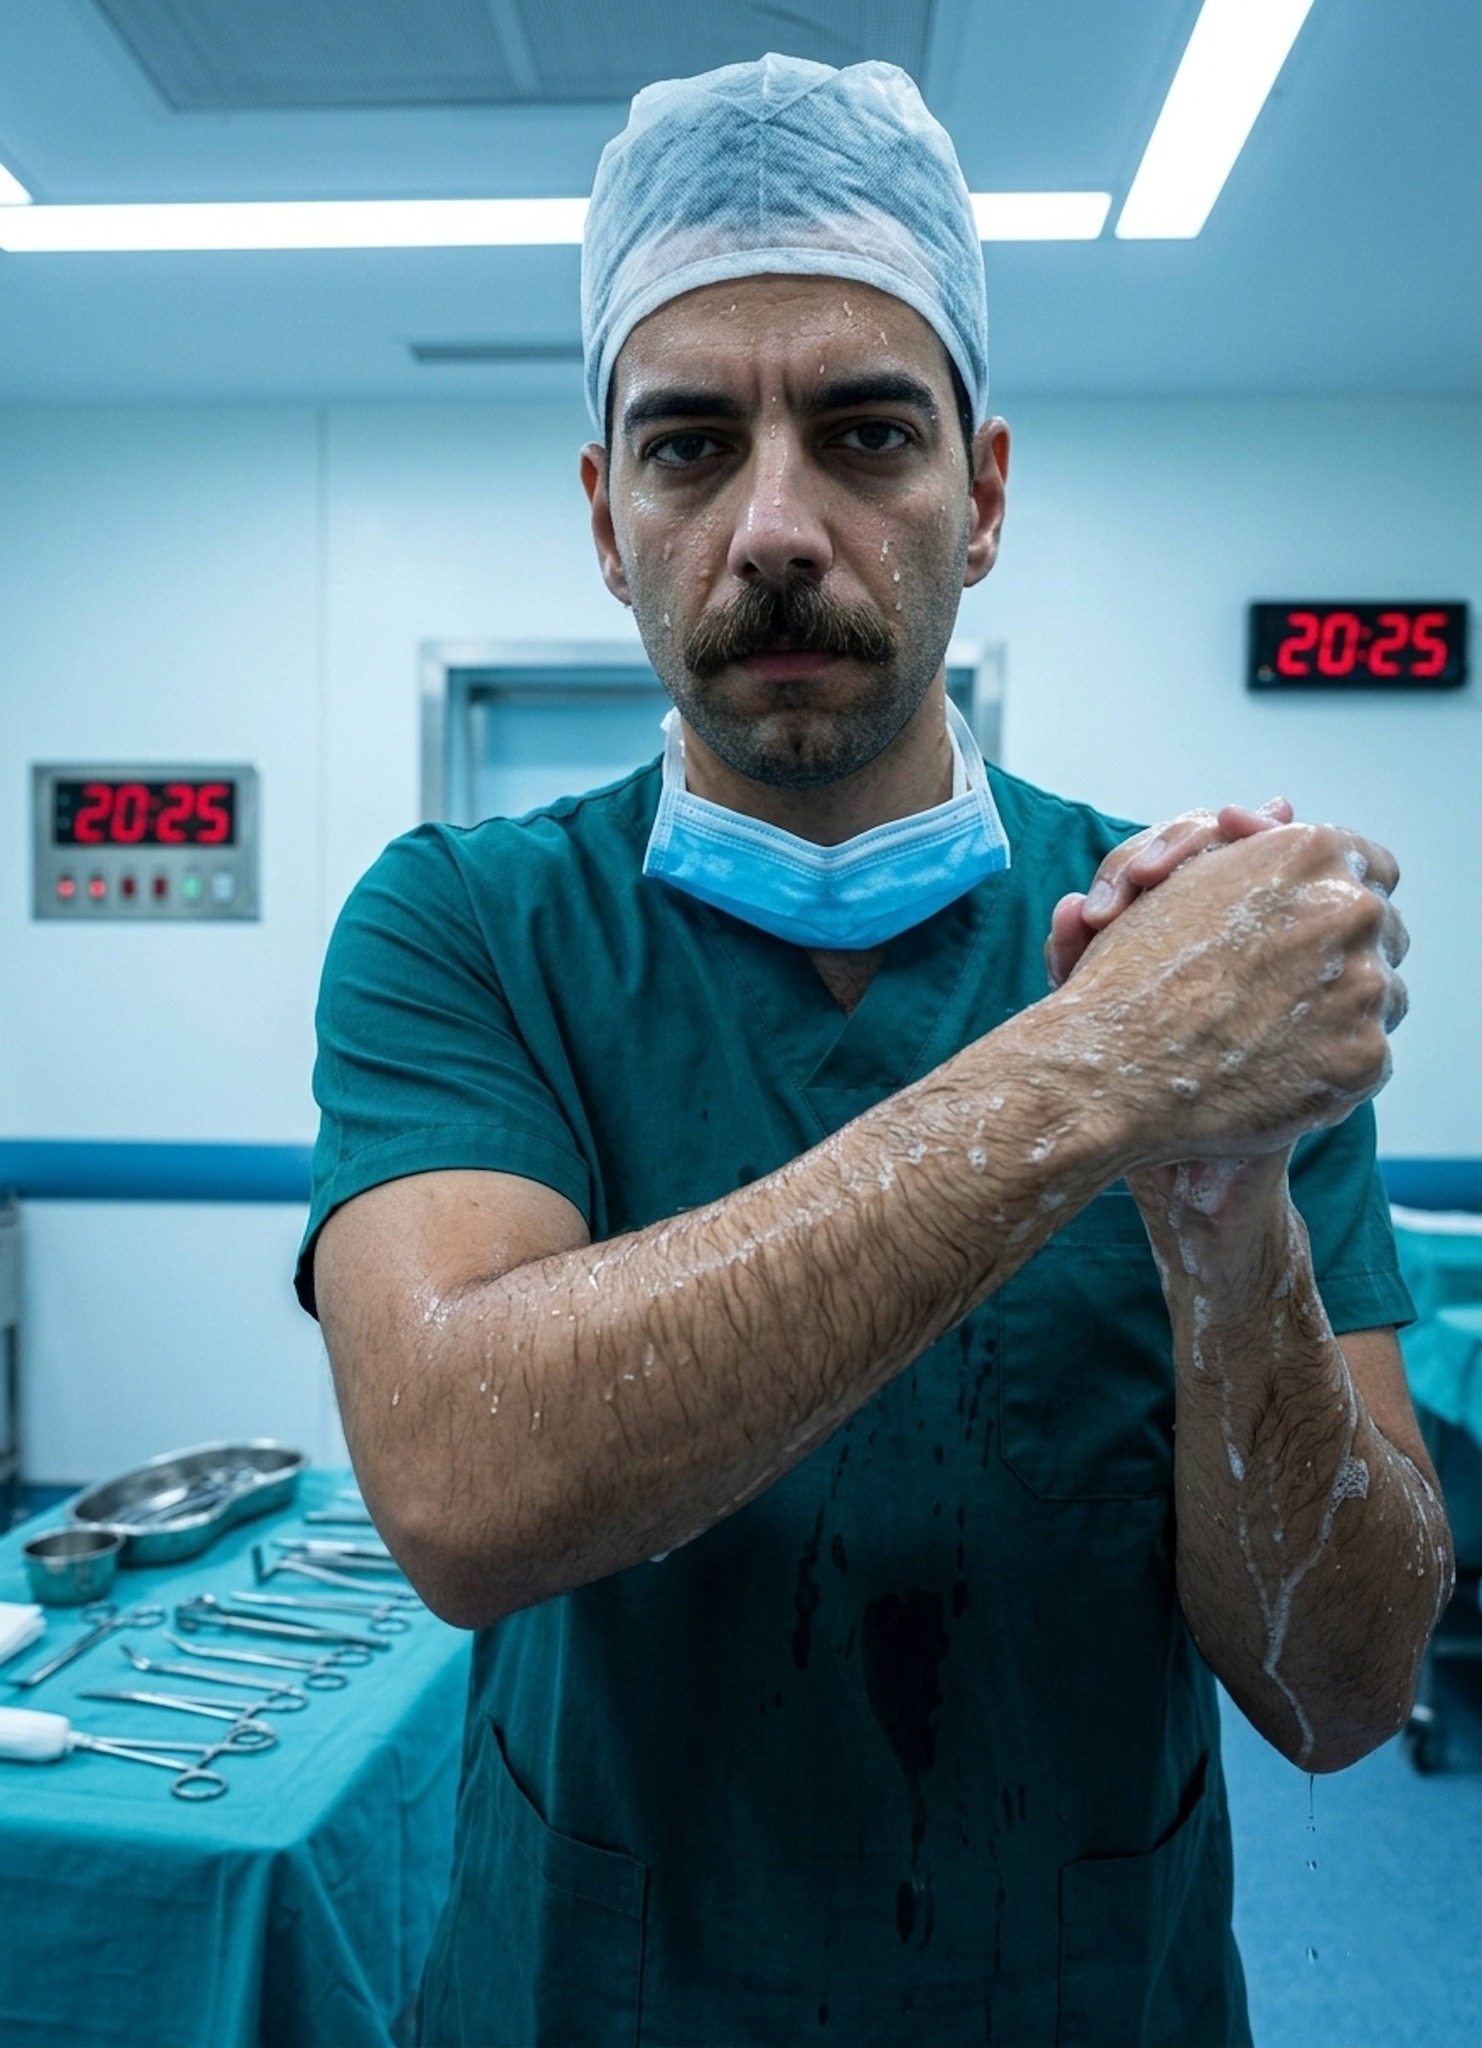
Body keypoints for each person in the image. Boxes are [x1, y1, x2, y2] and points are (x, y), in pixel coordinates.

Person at [298, 54, 1453, 2048]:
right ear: (605, 515)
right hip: (594, 1992)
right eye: (685, 447)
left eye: (863, 433)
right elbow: (466, 1491)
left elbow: (1338, 1686)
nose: (775, 526)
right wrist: (1092, 1080)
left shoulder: (1190, 955)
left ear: (981, 492)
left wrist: (1226, 1199)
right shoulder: (466, 926)